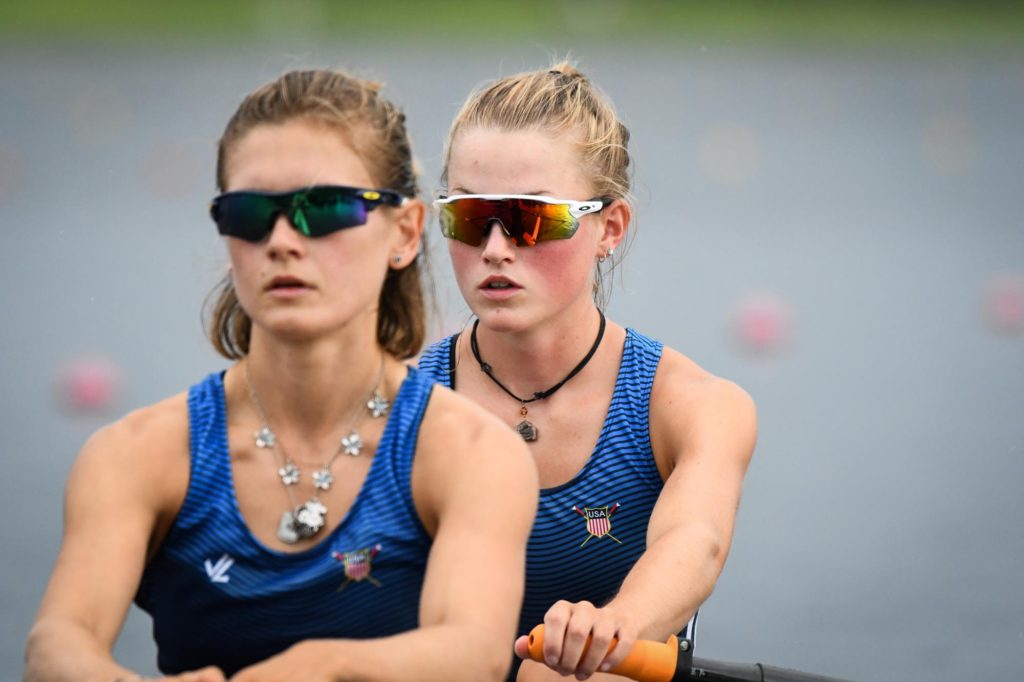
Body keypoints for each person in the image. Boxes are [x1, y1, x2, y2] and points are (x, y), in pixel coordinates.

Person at [25, 69, 537, 682]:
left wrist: (325, 665)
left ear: (404, 233)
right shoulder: (134, 457)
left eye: (323, 208)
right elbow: (58, 644)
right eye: (250, 213)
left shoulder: (472, 456)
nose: (281, 240)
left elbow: (474, 653)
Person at [417, 61, 757, 681]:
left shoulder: (693, 406)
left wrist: (617, 623)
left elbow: (695, 541)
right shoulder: (400, 401)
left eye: (532, 218)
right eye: (469, 216)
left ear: (610, 228)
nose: (494, 247)